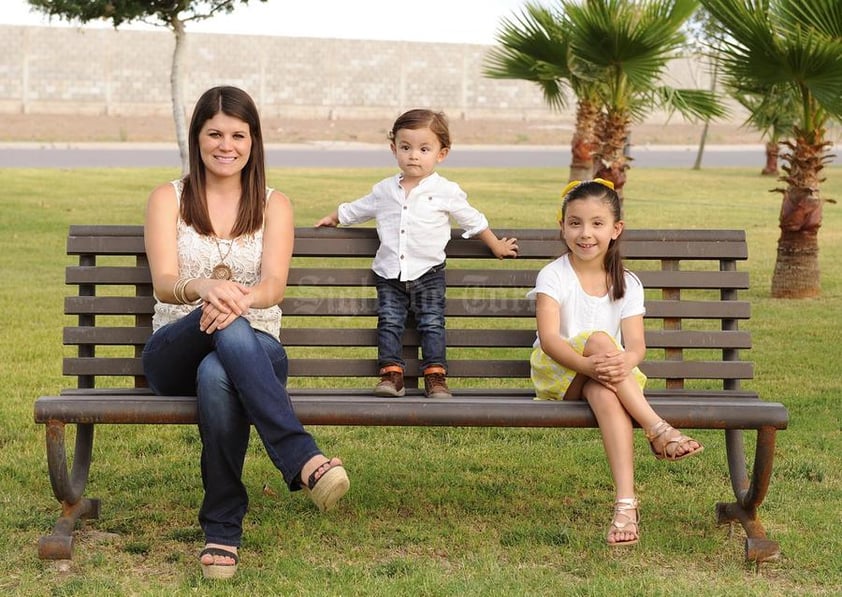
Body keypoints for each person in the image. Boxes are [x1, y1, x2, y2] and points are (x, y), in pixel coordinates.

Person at [142, 85, 349, 580]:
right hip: (176, 346)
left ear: (253, 141)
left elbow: (273, 286)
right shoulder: (166, 198)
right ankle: (303, 457)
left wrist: (237, 299)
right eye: (214, 133)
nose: (225, 145)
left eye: (237, 134)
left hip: (257, 348)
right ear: (197, 138)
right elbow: (165, 283)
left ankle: (222, 530)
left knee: (220, 371)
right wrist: (206, 288)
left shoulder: (275, 205)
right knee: (217, 339)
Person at [528, 178, 704, 547]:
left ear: (615, 229)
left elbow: (637, 347)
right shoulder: (554, 275)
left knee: (606, 393)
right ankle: (657, 430)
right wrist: (593, 363)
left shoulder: (628, 282)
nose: (585, 233)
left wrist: (617, 364)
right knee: (599, 339)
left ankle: (626, 506)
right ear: (561, 227)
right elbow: (549, 341)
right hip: (559, 373)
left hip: (607, 380)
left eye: (596, 223)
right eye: (574, 223)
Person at [315, 109, 519, 398]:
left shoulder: (445, 190)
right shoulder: (385, 190)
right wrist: (335, 216)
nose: (414, 156)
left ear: (441, 153)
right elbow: (358, 208)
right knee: (389, 321)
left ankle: (435, 377)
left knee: (432, 322)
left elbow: (472, 219)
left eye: (424, 149)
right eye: (406, 147)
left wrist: (495, 244)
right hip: (389, 274)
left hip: (429, 274)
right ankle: (391, 375)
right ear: (393, 149)